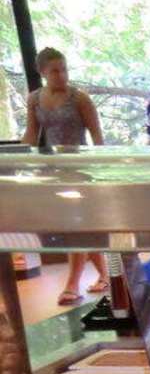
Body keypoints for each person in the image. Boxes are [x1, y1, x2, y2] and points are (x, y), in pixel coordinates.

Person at [22, 48, 107, 305]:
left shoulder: (79, 98)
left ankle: (72, 283)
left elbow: (97, 136)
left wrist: (101, 169)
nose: (61, 75)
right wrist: (19, 162)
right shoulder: (34, 99)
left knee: (75, 227)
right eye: (55, 71)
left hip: (80, 170)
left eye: (64, 69)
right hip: (54, 171)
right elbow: (31, 134)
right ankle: (105, 275)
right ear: (43, 72)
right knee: (75, 226)